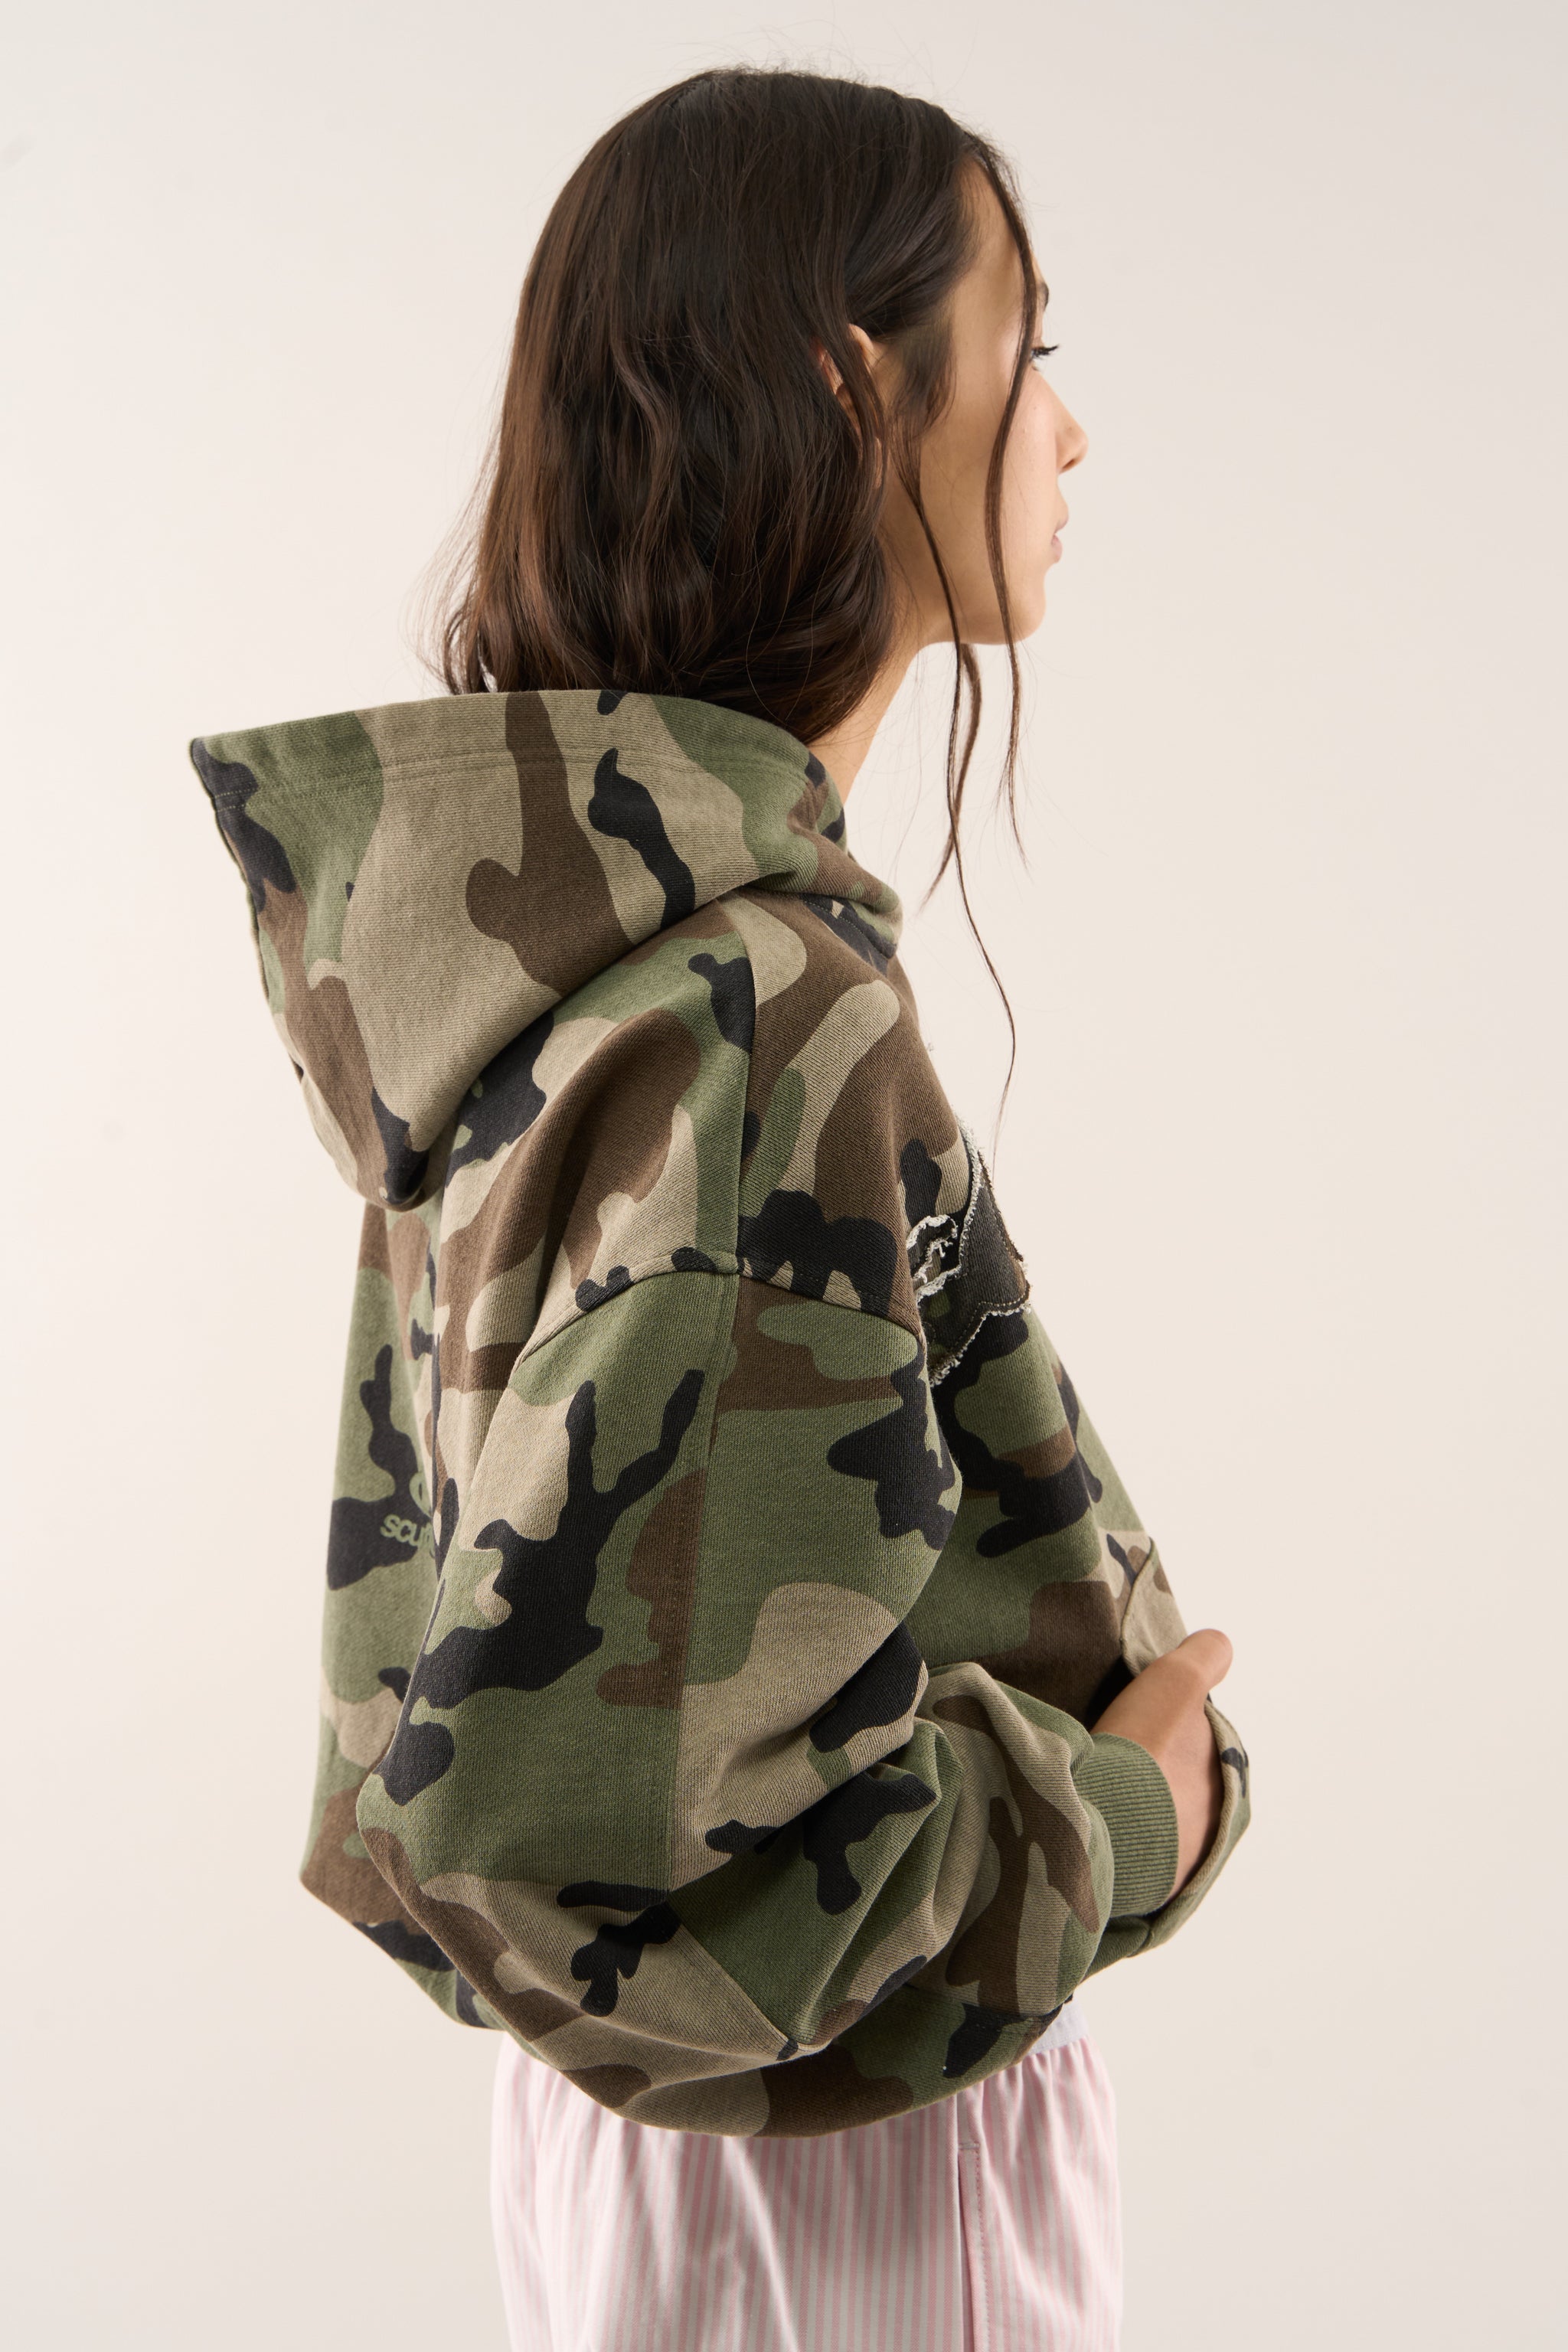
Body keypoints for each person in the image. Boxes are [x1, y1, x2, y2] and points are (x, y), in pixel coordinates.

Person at [191, 64, 1250, 2352]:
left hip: (659, 2154)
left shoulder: (575, 967)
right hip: (845, 2155)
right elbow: (684, 1870)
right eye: (1029, 348)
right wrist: (1125, 1820)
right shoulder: (757, 1009)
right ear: (861, 396)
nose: (1070, 432)